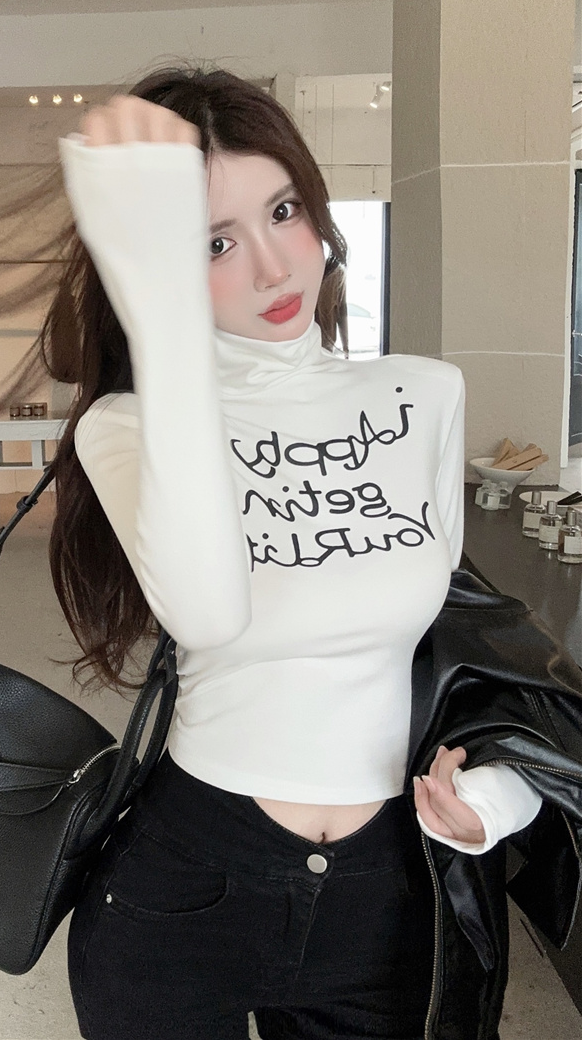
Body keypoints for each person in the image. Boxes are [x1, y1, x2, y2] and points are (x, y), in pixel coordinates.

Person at [50, 68, 544, 1040]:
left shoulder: (422, 397)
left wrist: (498, 796)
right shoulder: (130, 423)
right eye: (214, 242)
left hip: (380, 899)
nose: (275, 268)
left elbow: (454, 655)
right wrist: (159, 314)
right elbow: (206, 612)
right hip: (184, 884)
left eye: (283, 211)